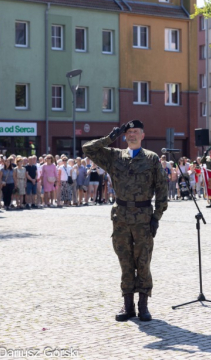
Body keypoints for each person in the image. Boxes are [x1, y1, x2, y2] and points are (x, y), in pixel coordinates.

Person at [82, 120, 168, 322]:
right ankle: (128, 305)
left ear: (142, 135)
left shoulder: (152, 158)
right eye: (128, 132)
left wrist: (157, 216)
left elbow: (162, 190)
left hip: (144, 217)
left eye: (135, 132)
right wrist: (111, 137)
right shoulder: (115, 156)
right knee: (125, 262)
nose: (131, 135)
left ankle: (143, 305)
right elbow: (87, 149)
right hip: (120, 218)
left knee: (143, 262)